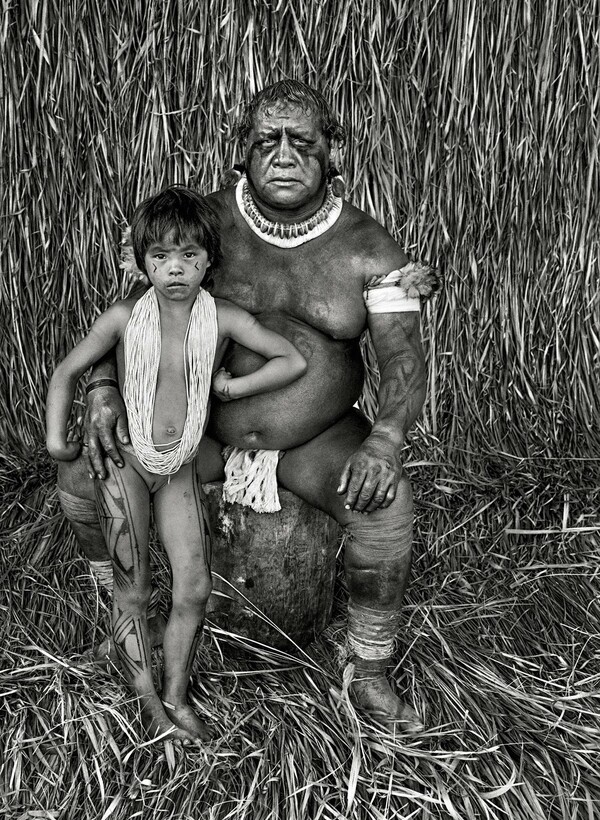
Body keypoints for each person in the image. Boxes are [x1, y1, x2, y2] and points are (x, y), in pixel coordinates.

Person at [57, 80, 438, 732]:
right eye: (267, 141)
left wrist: (385, 440)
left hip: (315, 441)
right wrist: (101, 390)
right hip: (194, 431)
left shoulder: (370, 250)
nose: (284, 157)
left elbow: (402, 360)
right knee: (83, 480)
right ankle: (126, 619)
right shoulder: (200, 226)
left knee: (388, 500)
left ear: (334, 154)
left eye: (303, 144)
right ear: (240, 151)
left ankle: (368, 669)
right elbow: (123, 317)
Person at [46, 186, 306, 744]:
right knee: (134, 590)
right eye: (160, 257)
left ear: (210, 259)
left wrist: (235, 385)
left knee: (193, 588)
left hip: (180, 467)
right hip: (129, 466)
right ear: (141, 261)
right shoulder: (124, 316)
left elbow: (292, 358)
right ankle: (149, 703)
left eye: (189, 256)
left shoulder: (223, 318)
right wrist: (56, 445)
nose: (175, 269)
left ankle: (175, 693)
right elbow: (67, 371)